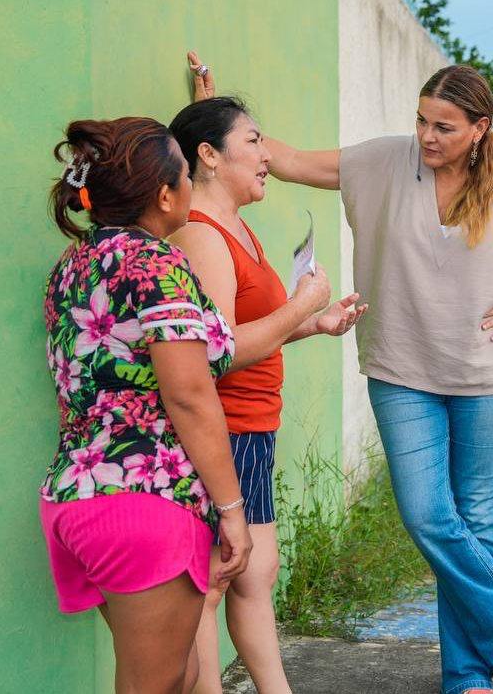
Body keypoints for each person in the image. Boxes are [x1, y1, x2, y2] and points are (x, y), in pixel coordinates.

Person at [190, 56, 493, 694]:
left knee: (475, 521)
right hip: (401, 368)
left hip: (492, 374)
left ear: (479, 128)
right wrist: (217, 122)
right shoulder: (385, 161)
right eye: (421, 120)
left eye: (444, 126)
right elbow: (294, 159)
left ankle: (469, 676)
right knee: (425, 513)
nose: (427, 136)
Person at [40, 117, 252, 693]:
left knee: (177, 676)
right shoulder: (157, 263)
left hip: (78, 498)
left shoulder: (73, 267)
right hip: (144, 502)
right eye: (187, 175)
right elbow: (187, 394)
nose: (190, 186)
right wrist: (232, 509)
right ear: (165, 194)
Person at [167, 93, 366, 694]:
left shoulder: (235, 226)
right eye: (252, 141)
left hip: (253, 425)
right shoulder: (201, 236)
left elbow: (247, 329)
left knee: (253, 573)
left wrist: (314, 321)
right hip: (223, 426)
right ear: (208, 155)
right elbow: (218, 349)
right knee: (215, 578)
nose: (266, 155)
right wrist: (300, 305)